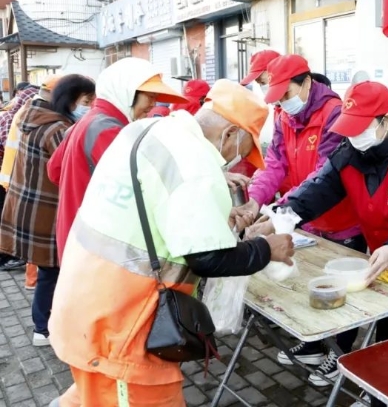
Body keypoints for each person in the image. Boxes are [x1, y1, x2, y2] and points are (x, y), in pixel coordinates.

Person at [48, 79, 294, 407]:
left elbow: (157, 208)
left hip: (85, 301)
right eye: (245, 150)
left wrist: (219, 217)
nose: (237, 160)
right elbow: (207, 259)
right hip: (121, 328)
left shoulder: (149, 130)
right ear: (231, 134)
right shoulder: (198, 164)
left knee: (91, 396)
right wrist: (267, 249)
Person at [251, 81, 388, 393]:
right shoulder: (348, 153)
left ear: (386, 120)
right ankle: (385, 387)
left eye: (361, 128)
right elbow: (317, 188)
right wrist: (282, 213)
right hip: (380, 255)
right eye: (350, 128)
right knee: (387, 320)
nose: (354, 136)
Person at [241, 54, 361, 383]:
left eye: (286, 94)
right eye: (276, 97)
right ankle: (317, 346)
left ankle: (342, 355)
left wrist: (279, 210)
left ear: (306, 82)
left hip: (340, 218)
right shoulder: (282, 115)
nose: (281, 102)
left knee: (345, 292)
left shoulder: (334, 113)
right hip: (304, 218)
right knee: (315, 285)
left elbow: (325, 176)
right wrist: (254, 201)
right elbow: (275, 162)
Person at [47, 58, 188, 263]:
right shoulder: (108, 130)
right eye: (149, 96)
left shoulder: (90, 120)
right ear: (127, 91)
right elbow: (144, 186)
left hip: (73, 235)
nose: (153, 104)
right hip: (93, 246)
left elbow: (54, 170)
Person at [0, 74, 96, 347]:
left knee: (48, 272)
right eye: (86, 101)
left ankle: (44, 324)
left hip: (32, 208)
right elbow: (71, 170)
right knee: (52, 272)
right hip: (48, 210)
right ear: (69, 99)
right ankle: (43, 328)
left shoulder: (32, 116)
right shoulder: (56, 130)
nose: (88, 106)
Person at [0, 84, 39, 271]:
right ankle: (8, 255)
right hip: (13, 178)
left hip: (9, 176)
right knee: (11, 221)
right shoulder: (17, 120)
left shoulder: (12, 116)